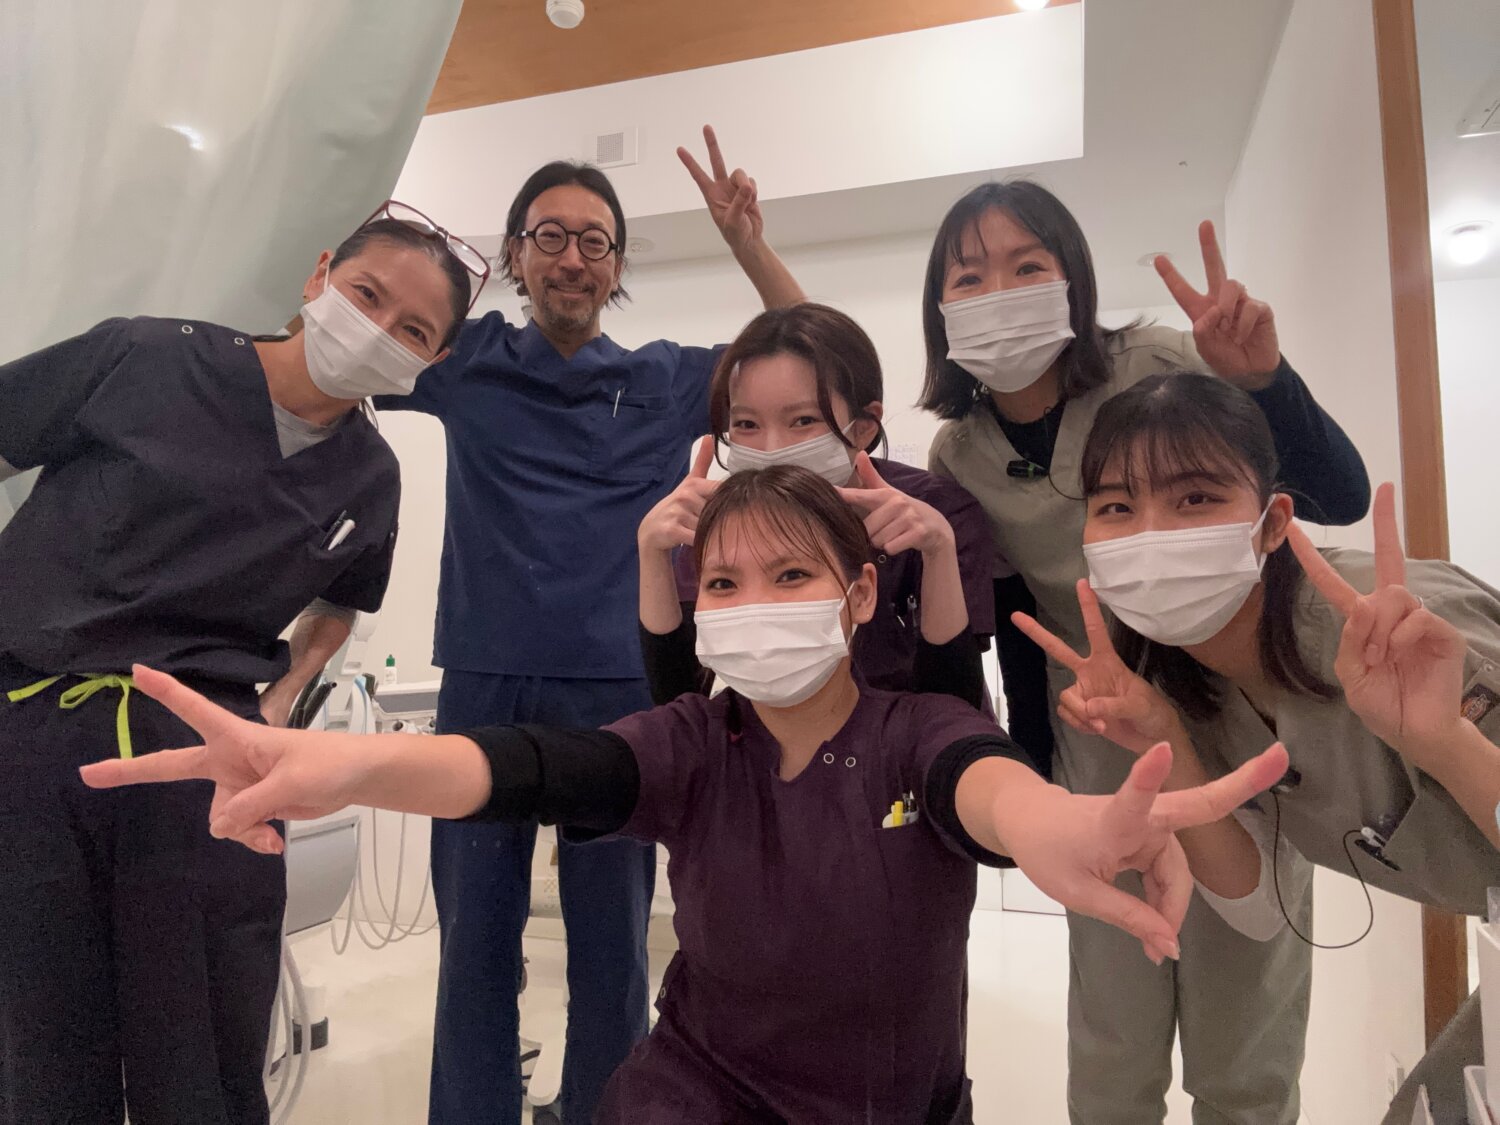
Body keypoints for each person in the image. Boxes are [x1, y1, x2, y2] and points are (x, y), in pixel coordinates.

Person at [80, 464, 1291, 1125]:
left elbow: (990, 790)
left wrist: (1066, 827)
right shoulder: (693, 740)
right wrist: (349, 766)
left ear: (860, 597)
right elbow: (535, 766)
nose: (753, 606)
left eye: (790, 576)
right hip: (698, 1096)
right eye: (723, 584)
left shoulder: (918, 729)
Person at [0, 201, 479, 1124]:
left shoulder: (369, 475)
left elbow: (343, 602)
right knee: (43, 1048)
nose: (378, 329)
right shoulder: (145, 356)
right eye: (366, 294)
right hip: (35, 733)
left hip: (213, 764)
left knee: (207, 1053)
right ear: (319, 274)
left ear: (434, 359)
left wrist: (284, 696)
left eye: (413, 330)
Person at [373, 127, 805, 1125]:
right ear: (515, 255)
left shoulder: (666, 378)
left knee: (613, 950)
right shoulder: (466, 358)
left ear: (617, 266)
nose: (573, 257)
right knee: (473, 943)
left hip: (620, 690)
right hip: (485, 681)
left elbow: (807, 354)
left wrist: (747, 243)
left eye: (595, 241)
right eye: (551, 236)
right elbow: (343, 342)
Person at [918, 180, 1372, 1124]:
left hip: (1237, 701)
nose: (998, 292)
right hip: (1098, 717)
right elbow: (1015, 614)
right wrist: (1030, 772)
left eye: (1027, 266)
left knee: (1245, 1022)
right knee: (1113, 1024)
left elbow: (1336, 496)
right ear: (941, 307)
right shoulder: (959, 455)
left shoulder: (1161, 364)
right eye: (969, 277)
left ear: (1073, 279)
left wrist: (1265, 380)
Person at [1011, 371, 1500, 1125]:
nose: (1151, 533)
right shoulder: (1188, 677)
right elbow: (1259, 908)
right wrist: (1166, 736)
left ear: (1273, 523)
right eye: (1116, 507)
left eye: (1195, 499)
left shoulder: (1403, 631)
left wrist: (1444, 740)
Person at [644, 302, 996, 711]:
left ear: (863, 427)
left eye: (803, 421)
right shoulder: (722, 523)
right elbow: (681, 698)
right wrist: (652, 554)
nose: (772, 450)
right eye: (746, 425)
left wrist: (938, 552)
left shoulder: (936, 513)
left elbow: (956, 701)